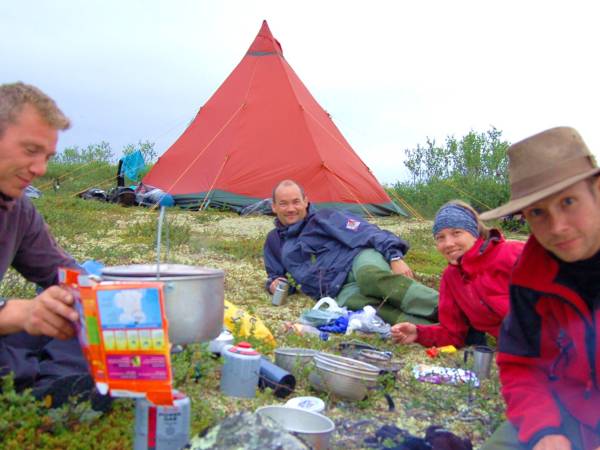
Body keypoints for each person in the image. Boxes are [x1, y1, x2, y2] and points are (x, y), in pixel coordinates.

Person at [480, 127, 600, 450]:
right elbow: (521, 363)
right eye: (537, 212)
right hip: (565, 409)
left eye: (569, 201)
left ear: (597, 191)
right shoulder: (530, 275)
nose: (557, 227)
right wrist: (543, 430)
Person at [0, 82, 102, 408]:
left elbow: (63, 273)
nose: (40, 170)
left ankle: (59, 391)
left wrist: (117, 303)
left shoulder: (17, 210)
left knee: (71, 317)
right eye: (30, 151)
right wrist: (13, 313)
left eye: (47, 157)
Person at [263, 179, 439, 324]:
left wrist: (394, 256)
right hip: (336, 290)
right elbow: (276, 276)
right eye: (283, 204)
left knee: (370, 277)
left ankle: (445, 308)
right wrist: (274, 284)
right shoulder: (274, 241)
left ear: (306, 201)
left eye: (296, 202)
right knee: (371, 310)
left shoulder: (325, 218)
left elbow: (367, 231)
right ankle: (434, 327)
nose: (291, 209)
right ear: (274, 207)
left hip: (357, 260)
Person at [390, 200, 524, 348]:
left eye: (456, 233)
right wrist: (418, 333)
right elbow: (453, 334)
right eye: (440, 237)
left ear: (474, 233)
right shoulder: (451, 278)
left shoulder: (513, 254)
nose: (448, 243)